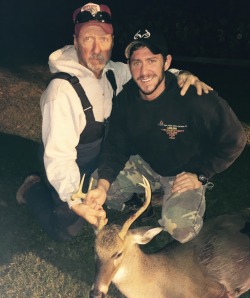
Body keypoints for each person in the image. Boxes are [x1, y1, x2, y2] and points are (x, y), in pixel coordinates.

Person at [16, 3, 212, 242]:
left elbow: (148, 72)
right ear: (76, 42)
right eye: (88, 39)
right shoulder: (61, 92)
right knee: (67, 231)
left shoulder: (112, 72)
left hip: (105, 159)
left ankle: (142, 193)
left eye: (104, 39)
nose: (97, 49)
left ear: (112, 41)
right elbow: (59, 157)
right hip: (72, 165)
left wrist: (183, 75)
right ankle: (32, 187)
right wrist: (74, 199)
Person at [85, 27, 247, 244]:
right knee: (96, 185)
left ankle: (176, 197)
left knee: (180, 229)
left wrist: (201, 174)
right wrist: (103, 187)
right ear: (130, 66)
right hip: (147, 165)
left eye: (151, 60)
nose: (144, 72)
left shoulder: (194, 97)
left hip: (183, 174)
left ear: (167, 62)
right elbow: (115, 146)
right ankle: (148, 200)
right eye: (137, 62)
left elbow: (235, 138)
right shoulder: (126, 100)